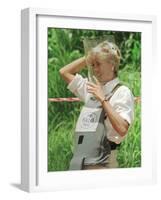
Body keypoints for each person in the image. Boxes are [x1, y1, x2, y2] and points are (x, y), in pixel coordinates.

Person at [59, 40, 134, 169]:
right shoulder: (92, 88)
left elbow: (122, 129)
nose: (95, 69)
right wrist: (88, 57)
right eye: (92, 65)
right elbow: (64, 72)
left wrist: (103, 99)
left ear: (111, 65)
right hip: (80, 160)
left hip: (104, 161)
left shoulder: (122, 92)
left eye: (98, 64)